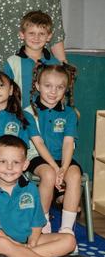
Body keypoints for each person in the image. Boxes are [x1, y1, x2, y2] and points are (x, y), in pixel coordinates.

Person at [0, 135, 80, 257]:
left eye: (16, 162)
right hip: (2, 239)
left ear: (25, 165)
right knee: (0, 244)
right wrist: (14, 244)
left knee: (69, 241)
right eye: (3, 162)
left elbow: (37, 221)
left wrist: (33, 241)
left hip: (29, 240)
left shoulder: (30, 188)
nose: (9, 167)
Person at [25, 63, 82, 235]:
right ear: (37, 86)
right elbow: (39, 143)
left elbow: (67, 143)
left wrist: (64, 168)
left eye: (59, 87)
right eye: (48, 86)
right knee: (49, 174)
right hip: (38, 157)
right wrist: (57, 169)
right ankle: (43, 226)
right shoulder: (29, 112)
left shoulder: (69, 113)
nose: (53, 91)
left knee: (74, 175)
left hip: (62, 158)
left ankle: (66, 229)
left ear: (66, 90)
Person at [4, 11, 61, 108]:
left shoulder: (55, 63)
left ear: (49, 36)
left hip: (47, 117)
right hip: (20, 117)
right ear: (22, 34)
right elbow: (5, 92)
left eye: (41, 34)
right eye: (31, 33)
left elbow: (61, 91)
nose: (36, 37)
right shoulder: (12, 62)